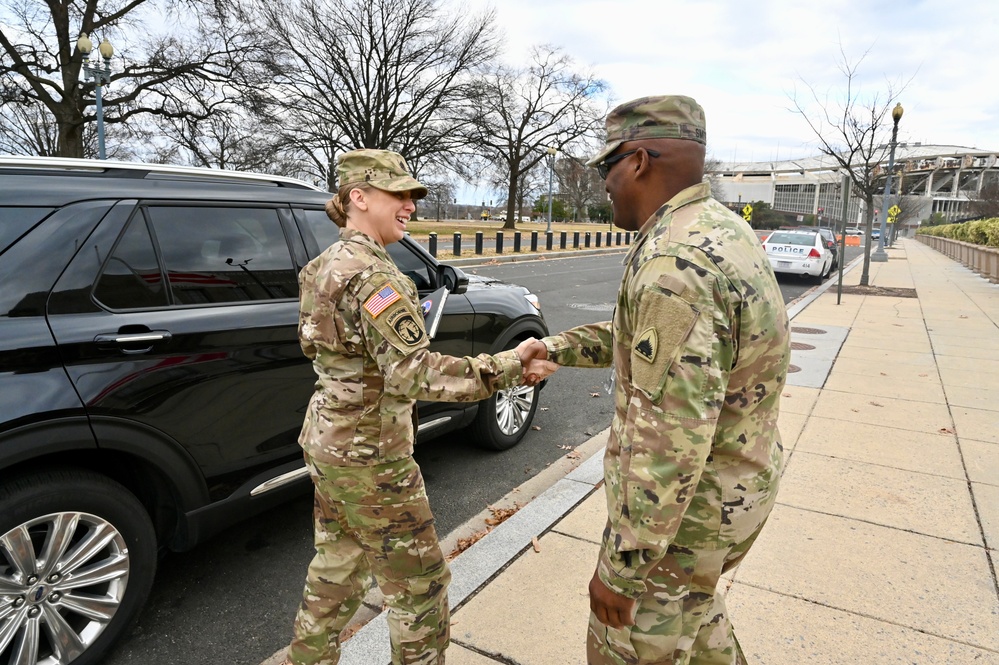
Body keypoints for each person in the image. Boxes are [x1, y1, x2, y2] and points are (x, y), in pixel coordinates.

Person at [520, 96, 790, 664]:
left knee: (628, 647)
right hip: (731, 494)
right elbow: (643, 338)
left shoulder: (676, 264)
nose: (604, 184)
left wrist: (622, 567)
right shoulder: (720, 230)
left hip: (683, 521)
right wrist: (557, 348)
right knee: (698, 628)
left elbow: (668, 442)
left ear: (639, 160)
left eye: (605, 167)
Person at [284, 148, 555, 665]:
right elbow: (413, 373)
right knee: (420, 589)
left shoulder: (322, 267)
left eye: (412, 195)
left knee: (336, 570)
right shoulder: (374, 277)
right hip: (371, 458)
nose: (409, 205)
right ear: (358, 198)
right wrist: (510, 367)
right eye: (397, 194)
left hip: (328, 442)